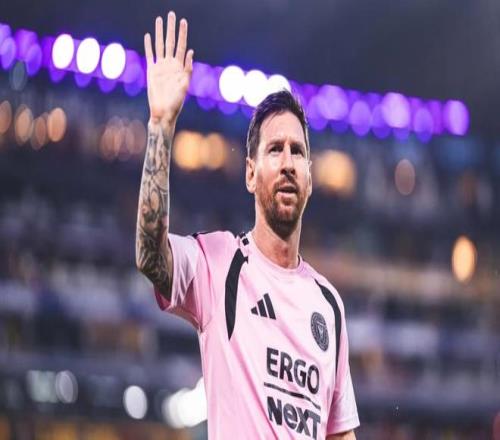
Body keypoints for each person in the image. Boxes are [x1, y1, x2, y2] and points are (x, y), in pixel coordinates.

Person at [136, 11, 360, 440]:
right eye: (275, 149)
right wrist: (160, 126)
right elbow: (149, 255)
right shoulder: (218, 264)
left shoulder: (329, 305)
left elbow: (339, 434)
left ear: (310, 178)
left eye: (297, 151)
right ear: (250, 174)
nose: (288, 162)